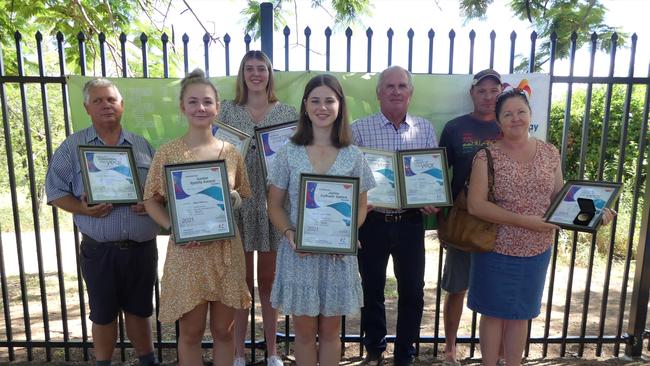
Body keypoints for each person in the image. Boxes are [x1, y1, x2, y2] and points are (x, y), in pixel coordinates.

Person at [465, 88, 616, 366]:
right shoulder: (486, 157)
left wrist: (595, 214)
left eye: (521, 112)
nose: (515, 118)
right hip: (496, 249)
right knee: (493, 314)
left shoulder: (549, 153)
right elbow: (476, 205)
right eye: (508, 114)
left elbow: (562, 201)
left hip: (537, 250)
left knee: (522, 314)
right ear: (498, 121)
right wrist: (524, 221)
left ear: (530, 115)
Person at [45, 79, 160, 366]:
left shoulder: (142, 145)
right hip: (100, 250)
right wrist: (83, 209)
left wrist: (152, 204)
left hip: (140, 248)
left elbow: (161, 191)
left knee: (140, 310)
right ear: (87, 108)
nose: (106, 105)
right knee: (103, 313)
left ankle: (148, 361)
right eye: (98, 101)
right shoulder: (73, 147)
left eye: (111, 99)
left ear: (121, 105)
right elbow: (55, 191)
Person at [143, 69, 252, 366]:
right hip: (188, 252)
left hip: (226, 252)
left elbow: (242, 193)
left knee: (224, 331)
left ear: (217, 106)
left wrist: (235, 200)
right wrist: (172, 228)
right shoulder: (168, 152)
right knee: (190, 333)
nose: (200, 108)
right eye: (193, 102)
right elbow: (151, 200)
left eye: (207, 102)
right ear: (182, 107)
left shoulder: (231, 152)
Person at [266, 74, 376, 366]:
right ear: (305, 106)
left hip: (336, 258)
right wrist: (290, 233)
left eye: (330, 100)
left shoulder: (353, 155)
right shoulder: (288, 152)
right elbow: (274, 205)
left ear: (340, 105)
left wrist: (348, 232)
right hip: (299, 255)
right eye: (315, 100)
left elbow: (362, 207)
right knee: (303, 333)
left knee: (330, 332)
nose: (322, 107)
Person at [352, 65, 439, 366]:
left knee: (413, 291)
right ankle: (375, 348)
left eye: (402, 86)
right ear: (378, 93)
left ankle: (405, 353)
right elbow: (351, 174)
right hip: (373, 221)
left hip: (410, 222)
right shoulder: (359, 129)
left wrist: (431, 198)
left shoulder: (424, 128)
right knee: (371, 288)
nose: (396, 91)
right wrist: (361, 199)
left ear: (411, 93)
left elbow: (431, 173)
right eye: (389, 86)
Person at [219, 50, 298, 366]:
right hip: (238, 202)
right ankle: (238, 353)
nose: (256, 74)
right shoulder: (226, 111)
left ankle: (273, 352)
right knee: (239, 281)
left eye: (261, 68)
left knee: (268, 280)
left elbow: (296, 158)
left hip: (272, 203)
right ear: (242, 74)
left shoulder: (287, 113)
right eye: (249, 68)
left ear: (269, 74)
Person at [438, 69, 503, 365]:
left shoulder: (510, 127)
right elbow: (436, 174)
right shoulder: (454, 128)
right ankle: (450, 348)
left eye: (494, 90)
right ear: (472, 93)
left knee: (496, 288)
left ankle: (496, 350)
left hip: (501, 221)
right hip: (462, 220)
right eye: (482, 90)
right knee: (456, 287)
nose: (488, 96)